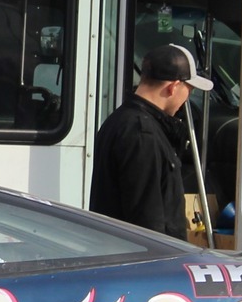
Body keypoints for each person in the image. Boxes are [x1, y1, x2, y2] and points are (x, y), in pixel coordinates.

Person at [89, 43, 212, 240]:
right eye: (189, 90)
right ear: (173, 87)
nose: (188, 98)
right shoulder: (143, 134)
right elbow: (147, 219)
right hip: (144, 260)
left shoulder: (120, 121)